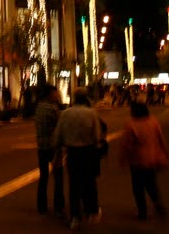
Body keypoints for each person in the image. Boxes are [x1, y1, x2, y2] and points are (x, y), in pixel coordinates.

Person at [53, 88, 102, 230]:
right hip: (88, 151)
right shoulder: (91, 113)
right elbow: (97, 136)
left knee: (74, 185)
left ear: (74, 98)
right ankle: (91, 211)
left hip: (72, 152)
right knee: (89, 182)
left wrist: (58, 149)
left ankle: (75, 216)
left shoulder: (66, 114)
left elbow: (58, 135)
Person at [119, 101, 169, 220]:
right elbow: (160, 139)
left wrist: (123, 158)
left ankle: (142, 212)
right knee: (151, 184)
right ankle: (158, 204)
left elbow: (128, 144)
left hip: (138, 160)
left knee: (138, 187)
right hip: (152, 158)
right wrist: (165, 153)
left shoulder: (131, 124)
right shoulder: (153, 121)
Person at [33, 84, 65, 217]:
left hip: (41, 147)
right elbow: (60, 126)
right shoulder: (52, 108)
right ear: (49, 94)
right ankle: (59, 205)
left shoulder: (39, 107)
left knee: (43, 176)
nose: (56, 95)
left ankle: (41, 205)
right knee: (58, 177)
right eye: (55, 93)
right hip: (53, 147)